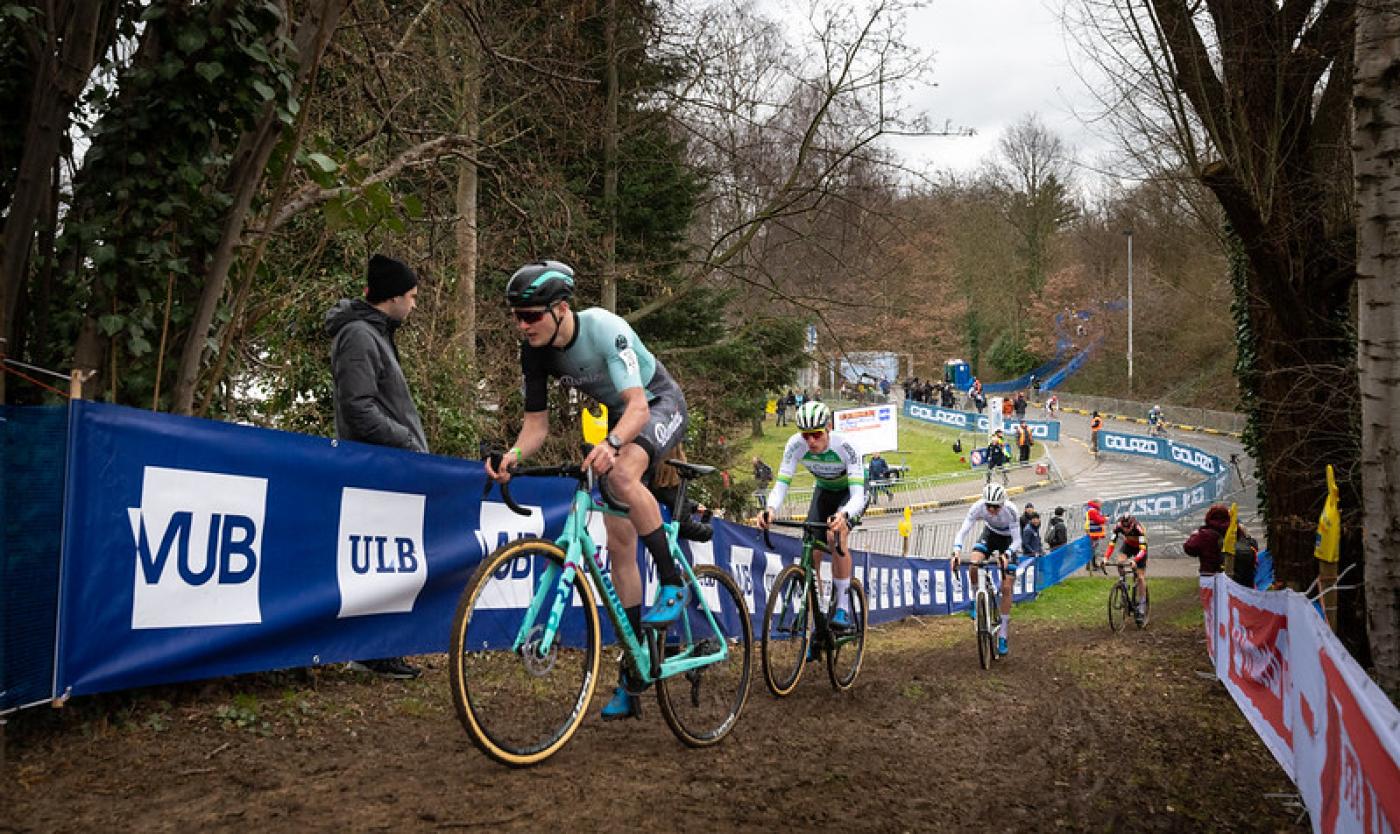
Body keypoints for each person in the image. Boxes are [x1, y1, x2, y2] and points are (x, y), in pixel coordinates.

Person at [487, 259, 690, 721]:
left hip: (659, 405)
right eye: (517, 317)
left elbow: (637, 406)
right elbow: (534, 426)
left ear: (560, 309)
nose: (523, 326)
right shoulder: (534, 351)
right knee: (619, 547)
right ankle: (635, 671)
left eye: (532, 315)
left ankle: (674, 585)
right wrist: (512, 457)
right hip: (625, 420)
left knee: (619, 475)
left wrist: (613, 443)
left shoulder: (603, 328)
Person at [326, 253, 427, 680]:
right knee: (375, 566)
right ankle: (371, 651)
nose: (415, 304)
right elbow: (358, 408)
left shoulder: (377, 333)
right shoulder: (359, 336)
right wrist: (405, 440)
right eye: (413, 296)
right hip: (374, 469)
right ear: (393, 297)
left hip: (388, 469)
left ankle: (380, 649)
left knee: (388, 565)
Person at [758, 401, 865, 635]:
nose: (811, 442)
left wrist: (844, 514)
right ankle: (814, 616)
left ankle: (843, 608)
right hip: (824, 491)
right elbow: (782, 484)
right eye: (805, 436)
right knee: (811, 549)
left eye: (816, 435)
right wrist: (771, 509)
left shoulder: (846, 447)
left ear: (828, 427)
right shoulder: (795, 445)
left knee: (835, 535)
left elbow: (858, 495)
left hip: (849, 494)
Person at [951, 482, 1023, 657]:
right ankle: (977, 600)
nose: (991, 510)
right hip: (990, 535)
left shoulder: (1011, 511)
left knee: (1006, 587)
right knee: (974, 564)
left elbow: (1017, 541)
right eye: (988, 506)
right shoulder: (978, 507)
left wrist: (1007, 555)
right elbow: (963, 531)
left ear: (1002, 504)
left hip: (1008, 542)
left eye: (995, 507)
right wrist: (956, 551)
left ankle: (1003, 634)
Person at [1104, 514, 1149, 621]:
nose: (1126, 530)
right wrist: (1105, 558)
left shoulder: (1139, 528)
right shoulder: (1118, 527)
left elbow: (1143, 549)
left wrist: (1135, 560)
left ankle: (1142, 603)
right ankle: (1123, 583)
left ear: (1132, 524)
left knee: (1140, 577)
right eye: (1124, 527)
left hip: (1140, 548)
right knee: (1119, 561)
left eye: (1128, 527)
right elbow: (1111, 543)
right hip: (1128, 545)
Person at [1184, 504, 1232, 576]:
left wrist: (1194, 536)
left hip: (1209, 575)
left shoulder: (1204, 534)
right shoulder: (1234, 531)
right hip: (1231, 576)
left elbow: (1190, 548)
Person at [1085, 498, 1108, 572]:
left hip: (1094, 533)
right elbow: (1098, 520)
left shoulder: (1093, 510)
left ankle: (1091, 565)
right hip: (1093, 533)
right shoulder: (1092, 510)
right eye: (1100, 503)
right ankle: (1093, 566)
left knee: (1093, 549)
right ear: (1096, 503)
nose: (1101, 505)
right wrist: (1105, 519)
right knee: (1093, 550)